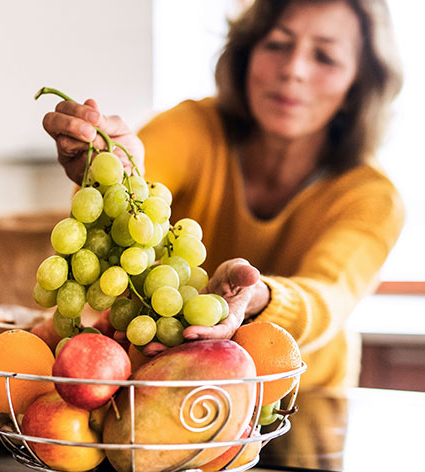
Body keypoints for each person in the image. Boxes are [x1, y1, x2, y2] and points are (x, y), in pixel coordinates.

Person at [42, 0, 404, 388]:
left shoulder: (372, 195)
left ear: (356, 86)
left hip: (299, 399)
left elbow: (329, 294)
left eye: (326, 57)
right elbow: (135, 195)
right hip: (170, 383)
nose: (293, 70)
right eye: (277, 44)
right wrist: (114, 172)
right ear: (247, 53)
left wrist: (260, 297)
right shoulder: (193, 127)